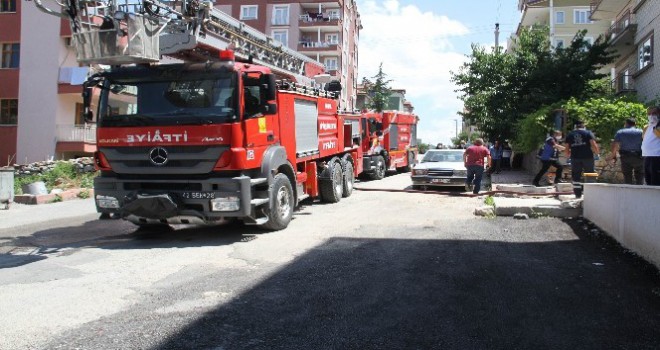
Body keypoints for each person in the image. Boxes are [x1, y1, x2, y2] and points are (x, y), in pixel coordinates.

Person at [565, 121, 600, 198]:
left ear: (575, 126)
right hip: (587, 157)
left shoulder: (570, 135)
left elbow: (567, 148)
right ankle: (590, 193)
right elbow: (593, 144)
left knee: (576, 175)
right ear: (583, 126)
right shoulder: (588, 133)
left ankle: (578, 194)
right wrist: (597, 154)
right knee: (590, 173)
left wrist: (567, 157)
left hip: (575, 158)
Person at [608, 118, 643, 184]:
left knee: (627, 176)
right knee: (640, 176)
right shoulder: (641, 132)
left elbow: (615, 145)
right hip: (639, 157)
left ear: (626, 124)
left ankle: (628, 192)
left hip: (626, 157)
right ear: (635, 124)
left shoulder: (620, 132)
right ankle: (640, 191)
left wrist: (613, 156)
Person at [642, 106, 660, 185]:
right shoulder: (646, 127)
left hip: (657, 157)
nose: (651, 115)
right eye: (649, 114)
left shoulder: (658, 126)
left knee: (655, 181)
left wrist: (656, 128)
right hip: (647, 156)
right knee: (648, 180)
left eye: (654, 113)